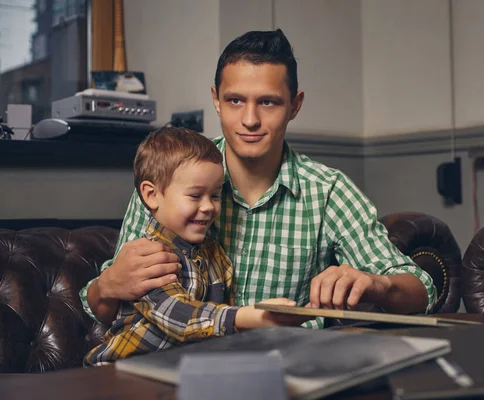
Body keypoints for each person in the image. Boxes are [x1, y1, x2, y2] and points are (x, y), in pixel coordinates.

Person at [80, 29, 436, 329]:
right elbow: (104, 305)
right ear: (216, 100)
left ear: (294, 105)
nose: (249, 119)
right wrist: (106, 286)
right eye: (235, 100)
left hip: (286, 371)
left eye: (268, 103)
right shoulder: (169, 177)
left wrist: (376, 283)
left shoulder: (328, 191)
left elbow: (421, 290)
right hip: (176, 368)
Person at [84, 127, 305, 366]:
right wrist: (248, 316)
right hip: (122, 371)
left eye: (216, 195)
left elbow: (219, 322)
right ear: (151, 195)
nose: (209, 206)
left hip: (180, 369)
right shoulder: (147, 257)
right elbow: (178, 315)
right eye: (195, 196)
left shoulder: (215, 255)